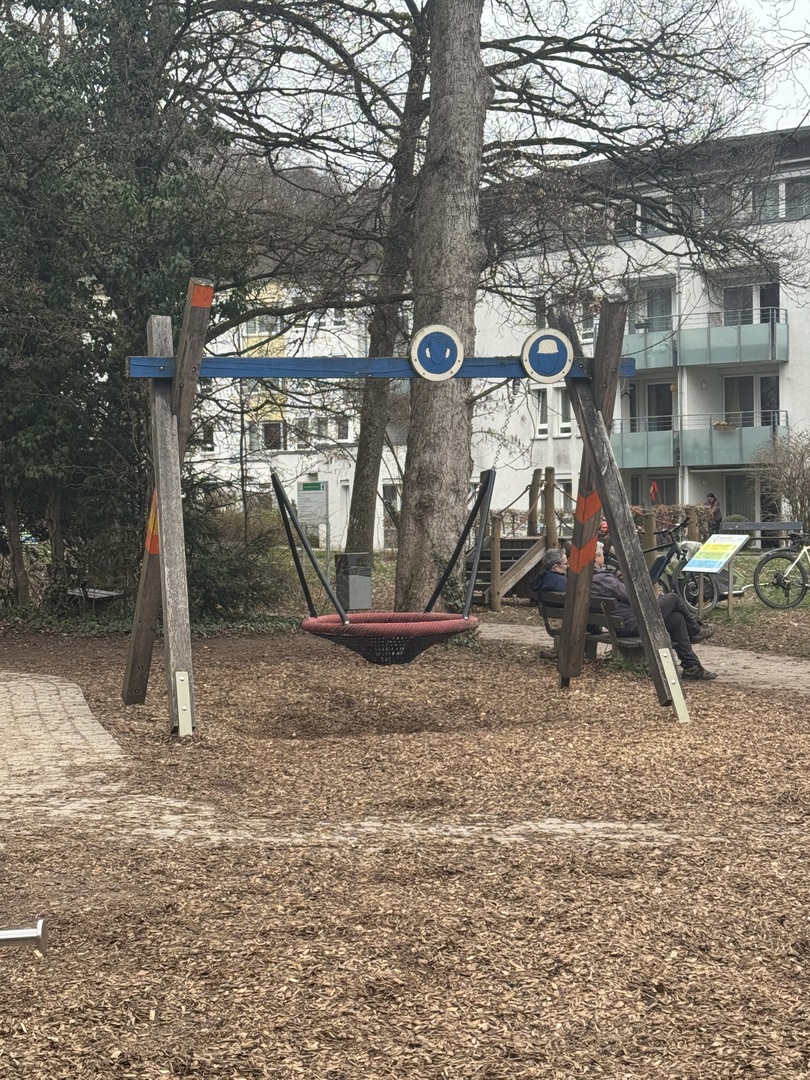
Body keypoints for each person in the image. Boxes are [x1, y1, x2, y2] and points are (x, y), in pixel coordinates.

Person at [536, 545, 718, 680]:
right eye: (600, 556)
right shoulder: (603, 579)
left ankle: (691, 666)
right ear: (596, 559)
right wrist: (625, 583)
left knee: (676, 619)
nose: (603, 558)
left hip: (620, 623)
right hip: (631, 624)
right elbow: (634, 598)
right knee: (673, 599)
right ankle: (695, 630)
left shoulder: (582, 581)